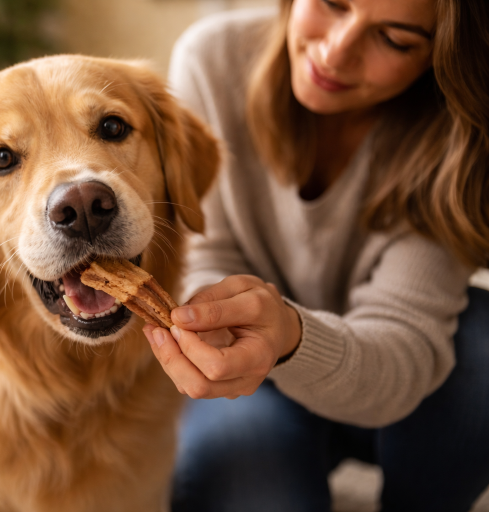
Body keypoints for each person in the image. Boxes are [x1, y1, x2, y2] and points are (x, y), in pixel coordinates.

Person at [142, 0, 489, 510]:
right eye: (331, 3)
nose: (335, 52)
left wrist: (291, 336)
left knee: (482, 347)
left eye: (394, 40)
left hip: (393, 387)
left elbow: (405, 337)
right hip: (251, 380)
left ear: (440, 56)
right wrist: (221, 328)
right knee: (253, 478)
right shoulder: (213, 58)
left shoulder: (460, 135)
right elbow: (203, 251)